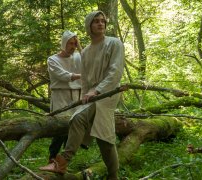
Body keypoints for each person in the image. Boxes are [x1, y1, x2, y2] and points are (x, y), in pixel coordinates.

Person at [40, 11, 125, 180]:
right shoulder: (86, 51)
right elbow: (85, 79)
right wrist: (86, 94)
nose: (101, 24)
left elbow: (115, 72)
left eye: (103, 21)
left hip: (108, 94)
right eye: (96, 22)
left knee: (78, 118)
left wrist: (97, 91)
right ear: (89, 26)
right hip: (92, 95)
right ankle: (113, 176)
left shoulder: (114, 43)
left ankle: (62, 161)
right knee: (104, 138)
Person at [44, 30, 82, 163]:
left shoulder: (78, 56)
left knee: (73, 128)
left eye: (75, 43)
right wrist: (82, 76)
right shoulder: (52, 60)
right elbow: (63, 75)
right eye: (70, 43)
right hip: (61, 96)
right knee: (60, 128)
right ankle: (52, 157)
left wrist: (80, 48)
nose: (72, 46)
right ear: (64, 44)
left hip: (76, 95)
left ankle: (64, 161)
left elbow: (89, 62)